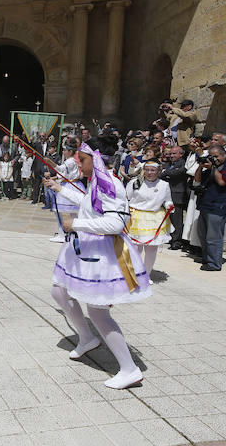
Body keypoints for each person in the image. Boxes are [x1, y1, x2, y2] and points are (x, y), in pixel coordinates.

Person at [45, 137, 150, 390]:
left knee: (98, 311)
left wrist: (76, 224)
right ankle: (87, 338)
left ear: (98, 158)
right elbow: (89, 204)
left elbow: (116, 224)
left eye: (81, 159)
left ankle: (129, 369)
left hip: (104, 254)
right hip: (85, 249)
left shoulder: (110, 184)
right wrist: (60, 189)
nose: (77, 163)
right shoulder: (96, 181)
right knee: (59, 292)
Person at [193, 146, 226, 271]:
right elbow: (197, 180)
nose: (214, 159)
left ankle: (214, 263)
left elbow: (222, 181)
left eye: (216, 156)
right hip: (206, 204)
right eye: (211, 156)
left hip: (219, 205)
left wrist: (212, 168)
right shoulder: (212, 167)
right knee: (203, 234)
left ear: (224, 155)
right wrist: (200, 165)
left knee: (213, 237)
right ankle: (207, 258)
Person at [126, 160, 173, 277]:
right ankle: (134, 273)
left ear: (158, 171)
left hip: (154, 217)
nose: (149, 173)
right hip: (136, 216)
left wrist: (169, 205)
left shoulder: (164, 185)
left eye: (153, 170)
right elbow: (127, 198)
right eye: (147, 170)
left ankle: (146, 275)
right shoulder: (134, 183)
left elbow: (167, 200)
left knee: (151, 249)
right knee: (136, 247)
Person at [160, 145, 188, 250]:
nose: (171, 156)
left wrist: (165, 173)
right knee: (169, 218)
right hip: (167, 194)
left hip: (177, 195)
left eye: (174, 154)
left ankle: (177, 241)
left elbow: (176, 173)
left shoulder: (183, 164)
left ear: (181, 154)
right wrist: (166, 173)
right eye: (170, 153)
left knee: (176, 219)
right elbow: (160, 174)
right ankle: (170, 237)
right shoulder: (168, 164)